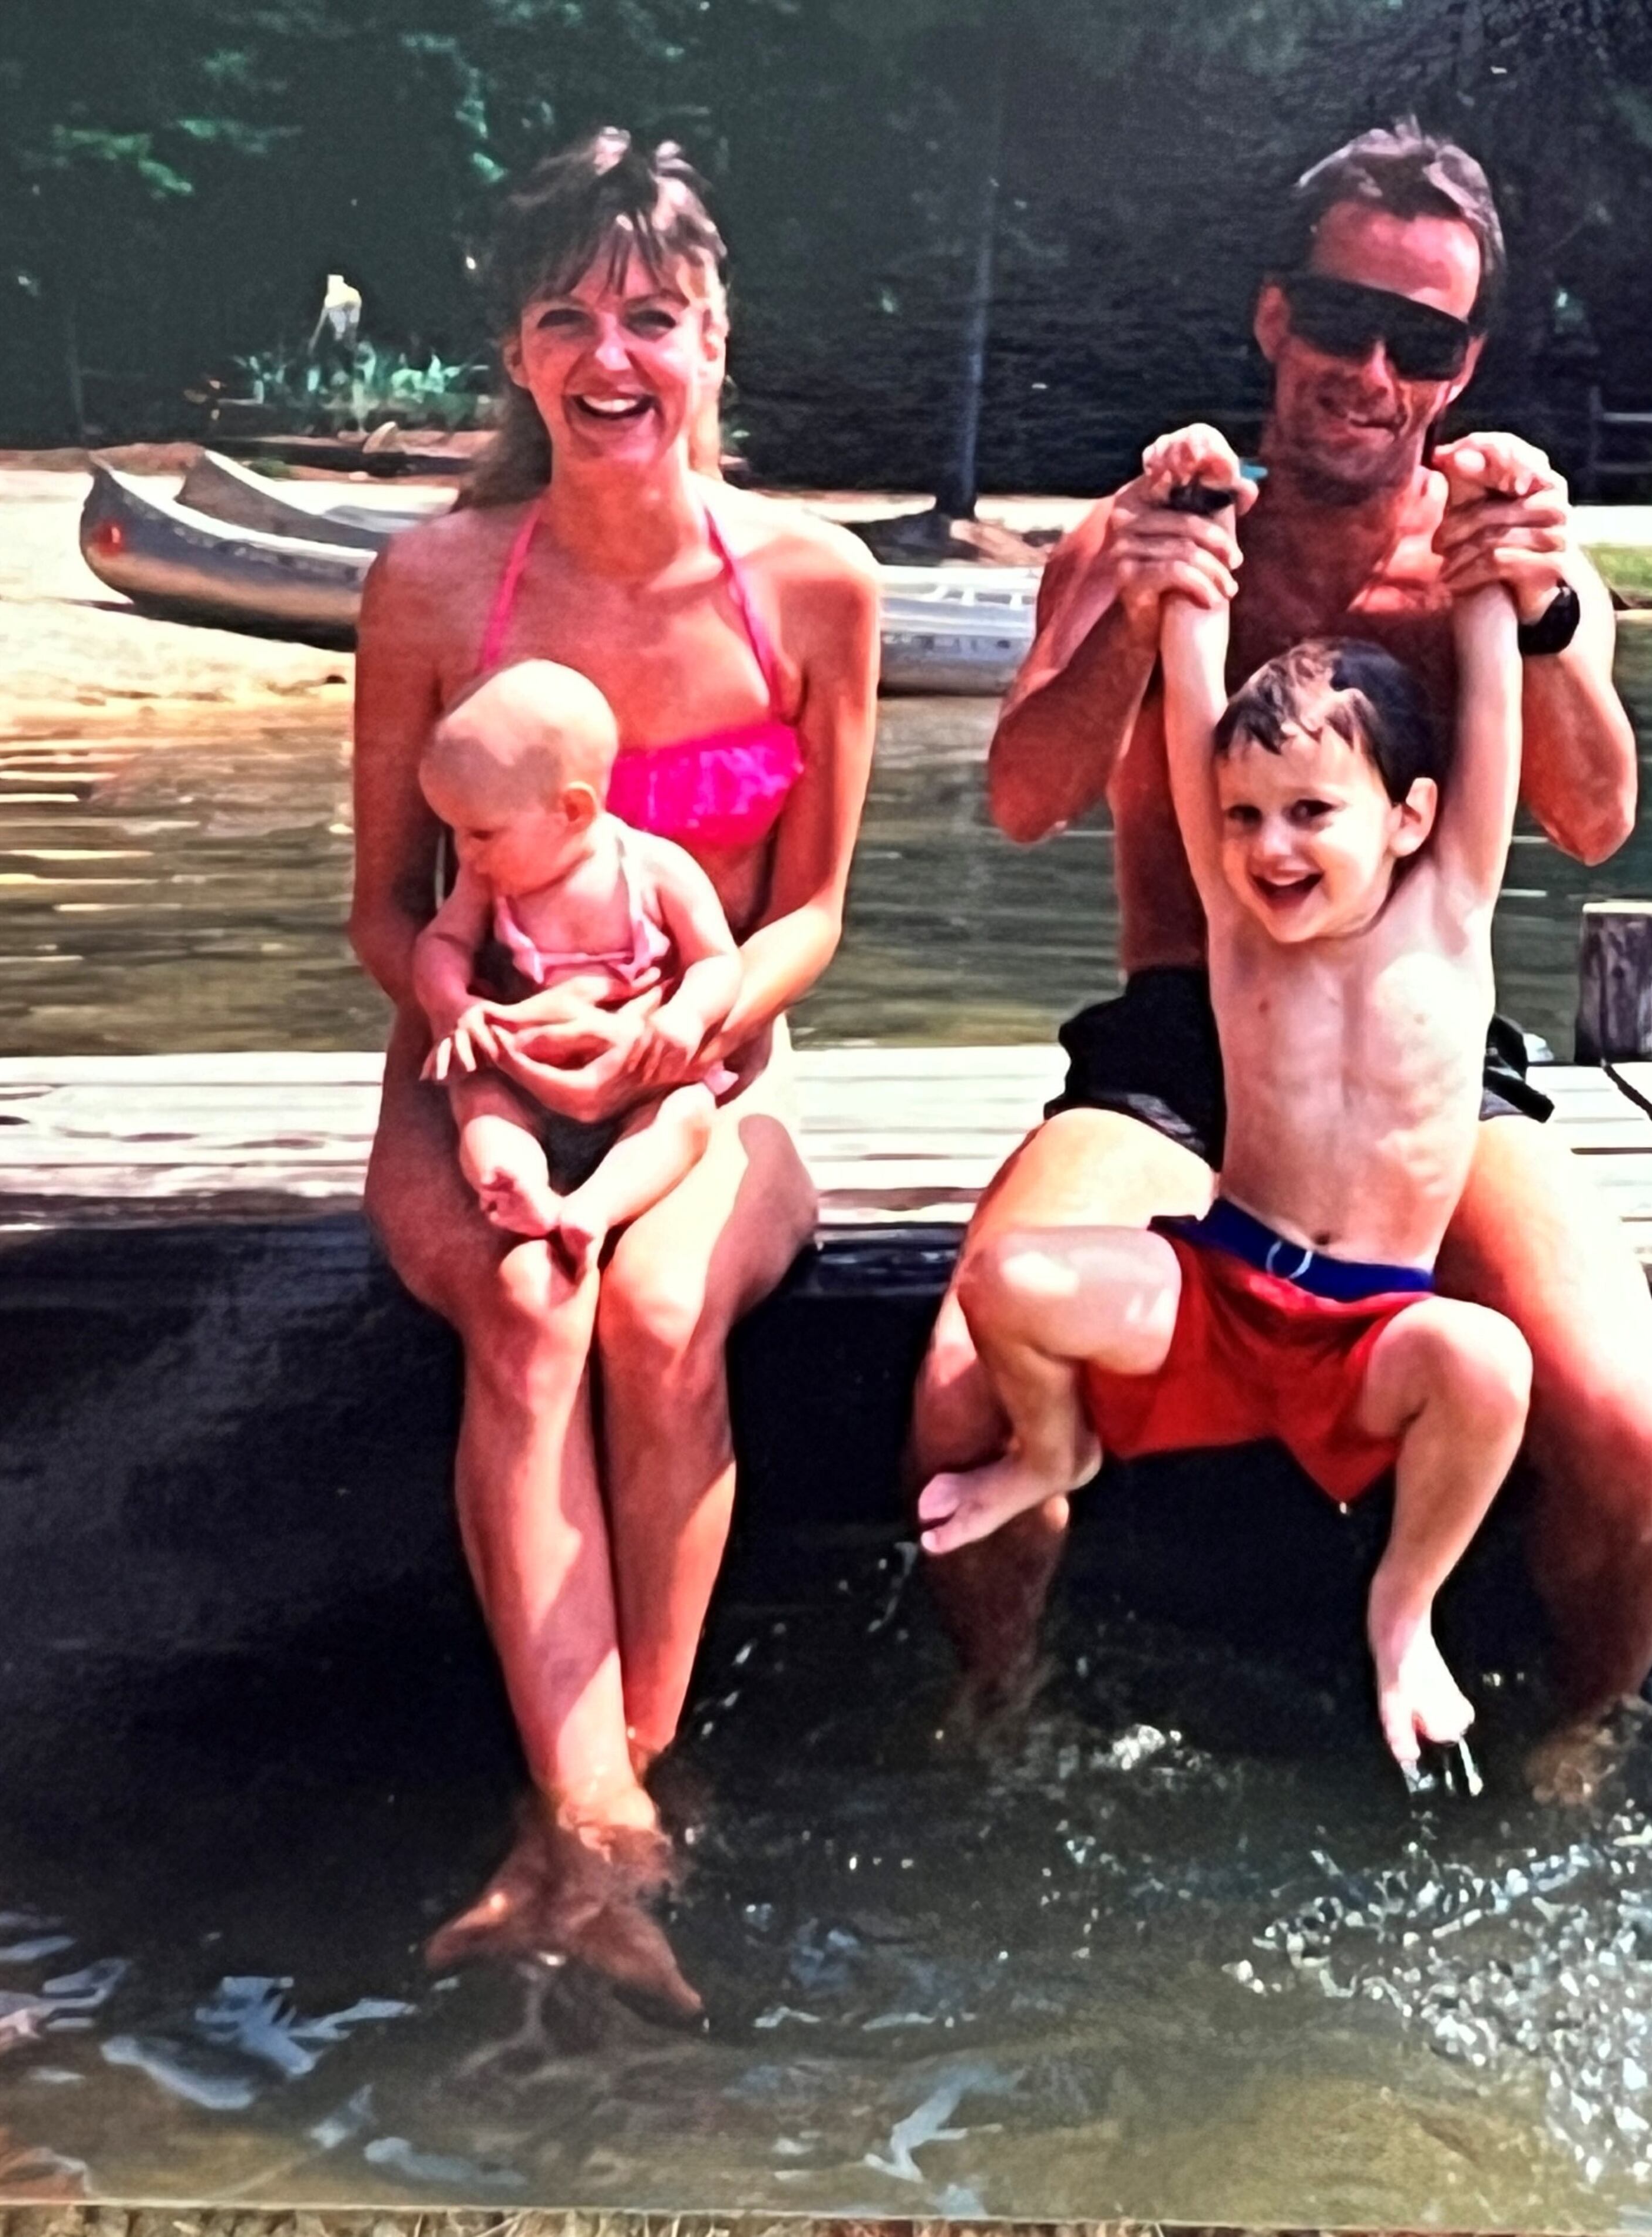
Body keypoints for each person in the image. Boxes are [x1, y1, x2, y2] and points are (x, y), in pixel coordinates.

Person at [907, 120, 1652, 1794]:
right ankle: (1002, 1727)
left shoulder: (1500, 559)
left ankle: (1575, 1755)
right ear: (1275, 315)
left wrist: (1552, 620)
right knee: (961, 1387)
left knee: (1633, 1433)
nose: (1370, 371)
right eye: (1341, 320)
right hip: (1180, 1050)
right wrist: (1135, 620)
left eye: (1420, 342)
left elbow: (1597, 818)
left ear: (1463, 365)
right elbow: (1027, 800)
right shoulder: (1148, 534)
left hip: (1422, 1071)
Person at [349, 129, 878, 2011]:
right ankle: (596, 1818)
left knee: (659, 1313)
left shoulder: (814, 585)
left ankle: (596, 1815)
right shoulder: (434, 584)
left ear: (714, 337)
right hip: (474, 1074)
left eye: (652, 313)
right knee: (530, 1300)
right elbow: (379, 906)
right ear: (515, 352)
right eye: (565, 315)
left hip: (710, 1081)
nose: (611, 353)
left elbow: (813, 913)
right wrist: (483, 1032)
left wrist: (683, 1028)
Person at [921, 450, 1533, 1771]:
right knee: (1005, 1279)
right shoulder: (1238, 926)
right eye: (1244, 816)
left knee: (1492, 1362)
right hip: (1223, 1292)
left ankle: (1404, 1605)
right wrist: (1196, 516)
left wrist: (1492, 534)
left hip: (1374, 1328)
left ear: (1411, 817)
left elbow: (1493, 700)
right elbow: (1193, 686)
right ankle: (1052, 1451)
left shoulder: (1451, 906)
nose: (1270, 847)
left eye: (1312, 813)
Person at [414, 658, 741, 1276]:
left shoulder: (655, 870)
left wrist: (685, 1017)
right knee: (480, 1098)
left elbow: (718, 959)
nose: (465, 854)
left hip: (642, 1075)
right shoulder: (488, 882)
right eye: (454, 831)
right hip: (525, 1070)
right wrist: (455, 1005)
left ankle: (594, 1207)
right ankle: (515, 1185)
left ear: (573, 810)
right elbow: (442, 942)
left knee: (685, 1115)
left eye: (481, 833)